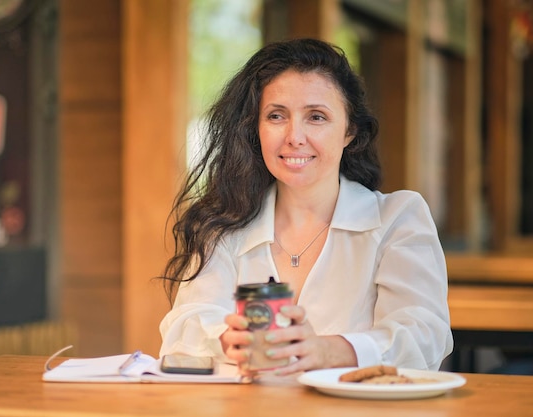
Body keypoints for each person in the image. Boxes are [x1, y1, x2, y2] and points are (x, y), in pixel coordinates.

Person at [159, 38, 453, 376]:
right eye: (276, 116)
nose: (294, 136)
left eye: (316, 117)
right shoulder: (225, 224)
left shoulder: (398, 219)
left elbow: (424, 335)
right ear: (256, 129)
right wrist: (226, 339)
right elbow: (184, 327)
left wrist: (329, 351)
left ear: (350, 131)